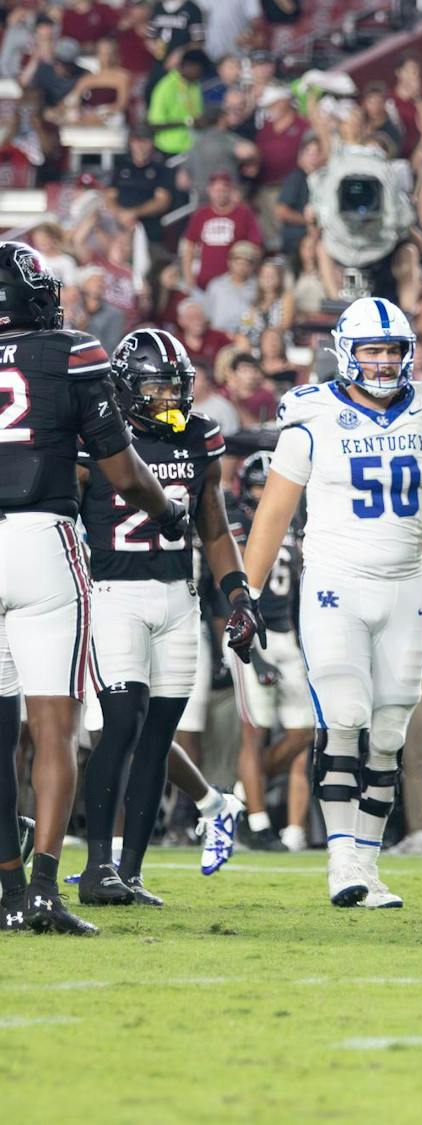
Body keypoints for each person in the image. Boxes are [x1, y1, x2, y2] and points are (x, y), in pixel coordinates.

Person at [236, 296, 422, 910]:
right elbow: (275, 512)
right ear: (347, 354)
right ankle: (340, 860)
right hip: (336, 583)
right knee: (347, 715)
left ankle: (367, 861)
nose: (384, 363)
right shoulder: (314, 413)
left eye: (393, 351)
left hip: (407, 585)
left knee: (388, 732)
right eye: (372, 351)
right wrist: (247, 593)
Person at [0, 243, 187, 935]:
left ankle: (6, 891)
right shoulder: (70, 352)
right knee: (54, 727)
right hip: (41, 541)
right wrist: (169, 513)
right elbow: (122, 468)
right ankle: (44, 890)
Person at [76, 328, 256, 907]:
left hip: (178, 597)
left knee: (157, 738)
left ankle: (129, 871)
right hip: (113, 592)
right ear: (127, 389)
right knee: (121, 722)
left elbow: (213, 525)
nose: (167, 400)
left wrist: (239, 595)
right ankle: (97, 863)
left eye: (175, 389)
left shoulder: (200, 436)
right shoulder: (98, 435)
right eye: (154, 389)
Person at [224, 451, 313, 852]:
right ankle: (256, 824)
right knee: (253, 731)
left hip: (287, 635)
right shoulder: (239, 526)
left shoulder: (295, 523)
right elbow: (224, 592)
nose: (264, 495)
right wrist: (254, 655)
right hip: (250, 634)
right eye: (258, 487)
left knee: (303, 732)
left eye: (269, 486)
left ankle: (242, 794)